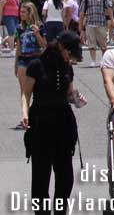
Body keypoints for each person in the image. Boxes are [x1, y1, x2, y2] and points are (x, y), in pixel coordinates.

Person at [21, 31, 84, 215]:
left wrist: (77, 98)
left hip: (63, 123)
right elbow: (26, 94)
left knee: (66, 176)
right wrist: (24, 113)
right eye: (69, 54)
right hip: (41, 122)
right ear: (61, 47)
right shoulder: (36, 65)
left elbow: (70, 94)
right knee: (41, 175)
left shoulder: (67, 67)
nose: (70, 58)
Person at [13, 3, 45, 128]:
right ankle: (24, 117)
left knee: (38, 90)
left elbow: (44, 45)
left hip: (36, 60)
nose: (21, 14)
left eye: (24, 12)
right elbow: (19, 48)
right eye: (20, 12)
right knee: (24, 91)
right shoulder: (19, 28)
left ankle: (37, 116)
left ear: (30, 13)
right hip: (23, 61)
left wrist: (37, 34)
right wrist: (15, 64)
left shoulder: (40, 26)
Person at [81, 0, 113, 68]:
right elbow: (82, 12)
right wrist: (80, 25)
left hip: (101, 23)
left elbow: (109, 8)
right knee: (91, 44)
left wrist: (112, 20)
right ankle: (93, 60)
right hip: (90, 23)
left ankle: (104, 60)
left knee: (103, 44)